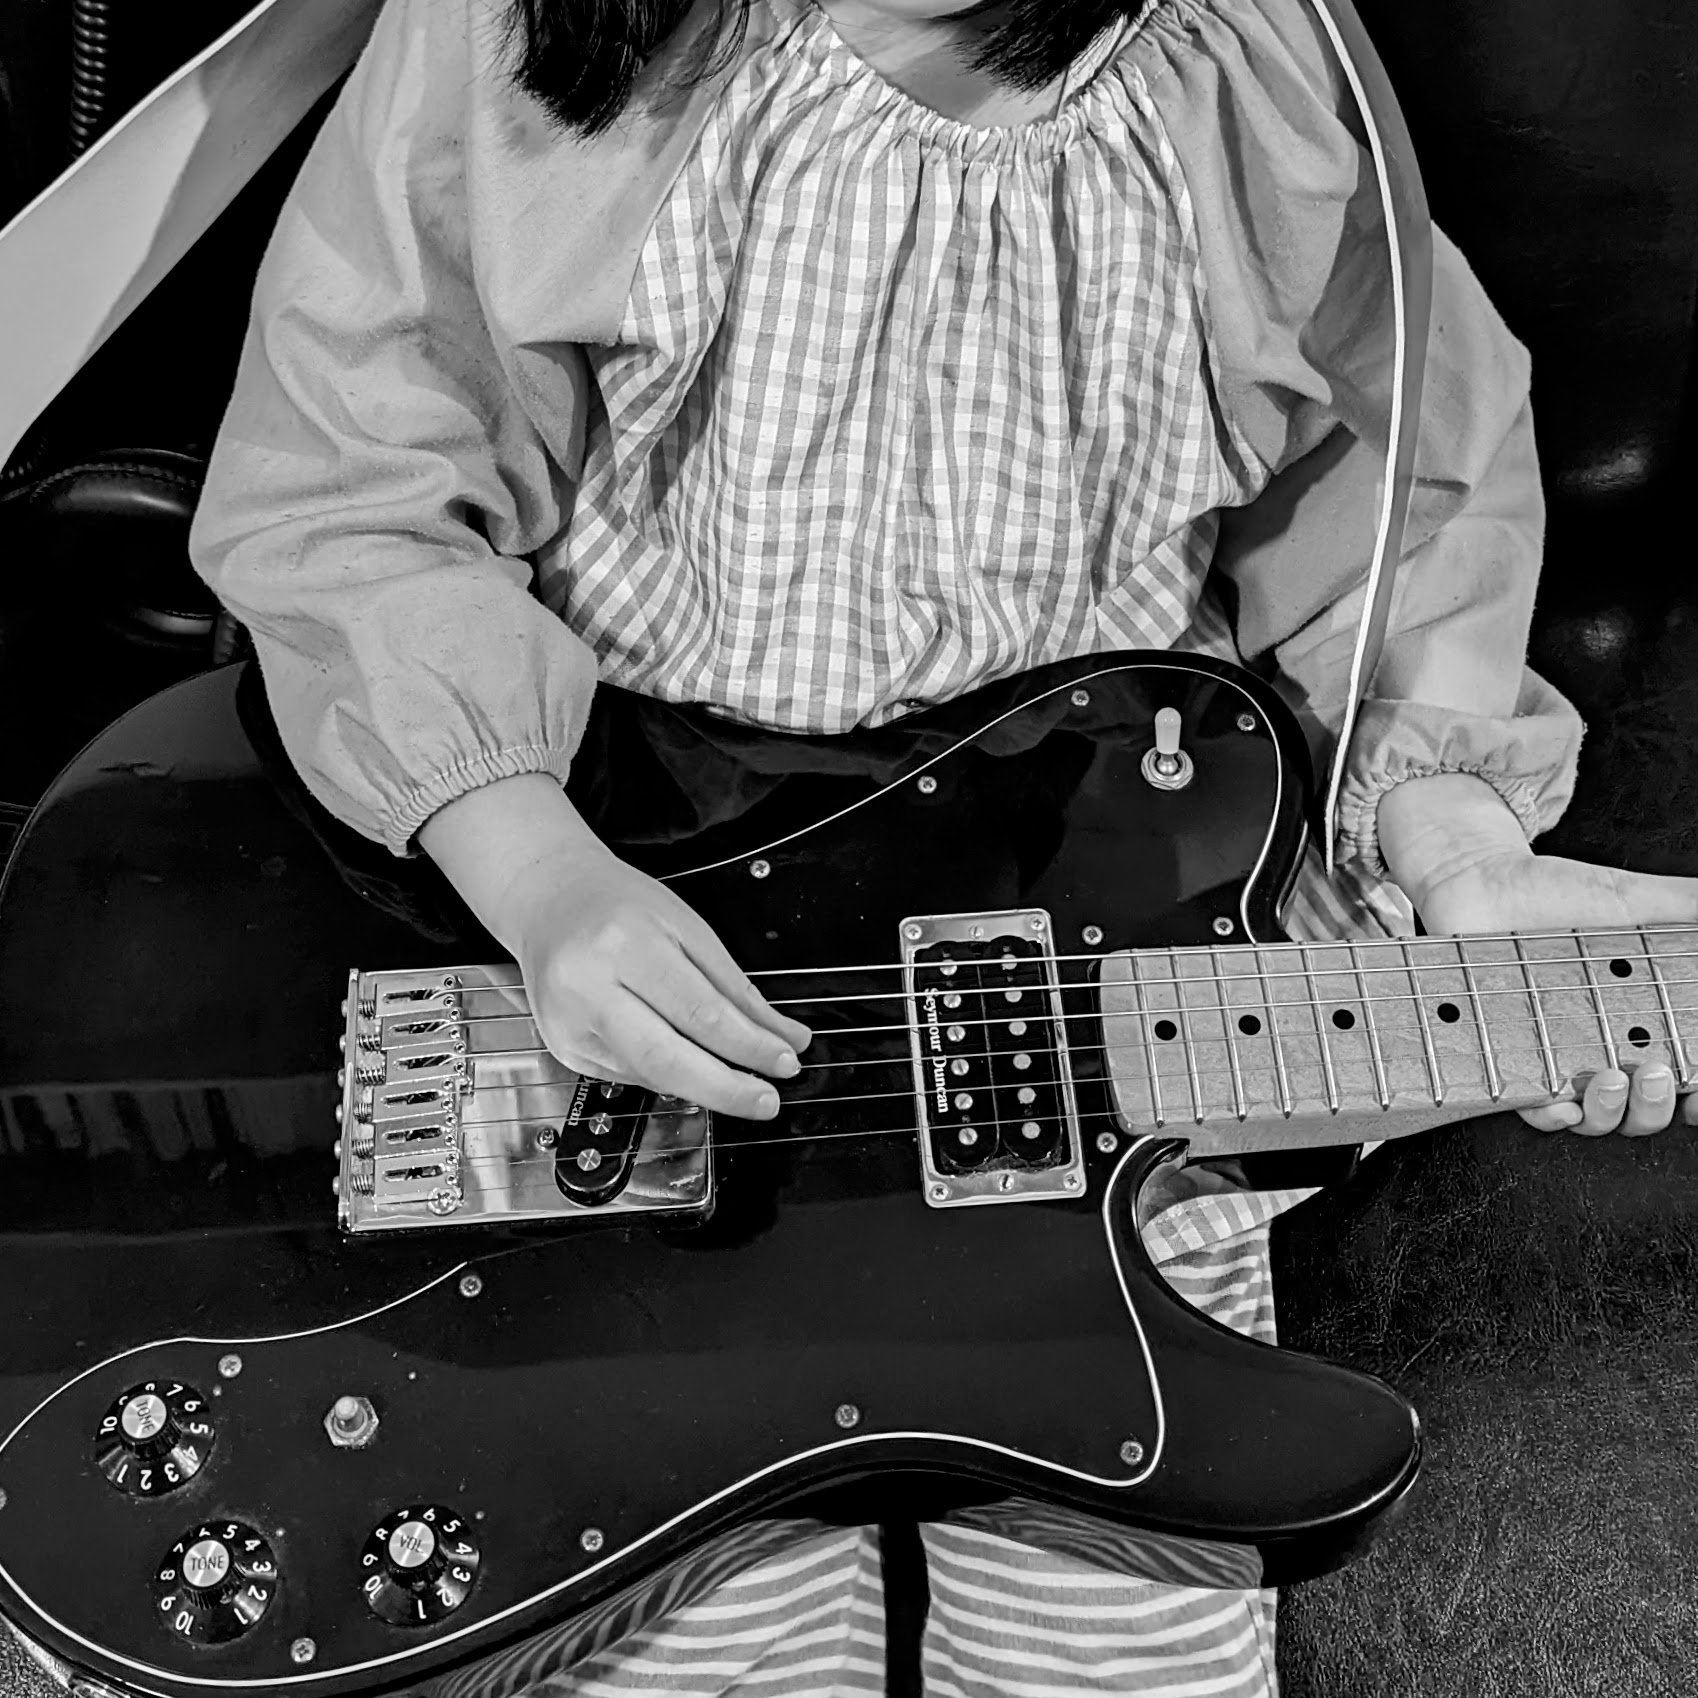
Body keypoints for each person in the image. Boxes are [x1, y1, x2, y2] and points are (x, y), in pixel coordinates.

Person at [188, 0, 1698, 1688]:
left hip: (1114, 938)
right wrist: (534, 870)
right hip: (645, 907)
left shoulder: (1257, 60)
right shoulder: (518, 25)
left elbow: (1398, 476)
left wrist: (1451, 831)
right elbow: (349, 476)